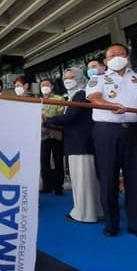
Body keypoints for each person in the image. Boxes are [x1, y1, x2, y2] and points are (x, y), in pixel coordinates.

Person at [86, 43, 137, 241]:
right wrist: (112, 106)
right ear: (106, 61)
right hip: (107, 131)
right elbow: (94, 98)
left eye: (121, 54)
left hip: (135, 131)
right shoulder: (98, 78)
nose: (117, 57)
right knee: (108, 178)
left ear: (127, 56)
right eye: (112, 55)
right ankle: (111, 223)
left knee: (136, 179)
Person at [44, 67, 102, 222]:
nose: (68, 81)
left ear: (80, 78)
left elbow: (70, 117)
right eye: (65, 78)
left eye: (72, 77)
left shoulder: (81, 94)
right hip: (80, 141)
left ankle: (85, 214)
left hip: (80, 142)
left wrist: (47, 121)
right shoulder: (75, 95)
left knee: (82, 180)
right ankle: (95, 210)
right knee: (88, 180)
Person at [40, 78, 65, 195]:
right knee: (44, 160)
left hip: (56, 133)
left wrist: (48, 122)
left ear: (52, 86)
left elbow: (61, 115)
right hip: (42, 134)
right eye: (42, 85)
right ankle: (47, 185)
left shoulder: (59, 99)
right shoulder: (38, 100)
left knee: (57, 160)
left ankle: (58, 186)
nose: (44, 86)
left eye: (46, 84)